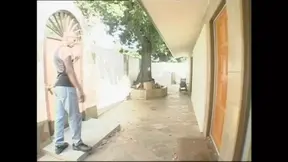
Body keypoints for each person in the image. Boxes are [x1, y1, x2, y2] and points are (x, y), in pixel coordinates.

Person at [52, 31, 92, 154]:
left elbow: (63, 67)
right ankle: (77, 143)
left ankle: (58, 144)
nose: (75, 42)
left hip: (58, 86)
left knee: (59, 117)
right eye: (74, 39)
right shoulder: (66, 50)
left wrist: (74, 60)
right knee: (74, 115)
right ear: (66, 37)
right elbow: (69, 71)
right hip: (66, 86)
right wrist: (80, 89)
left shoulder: (57, 50)